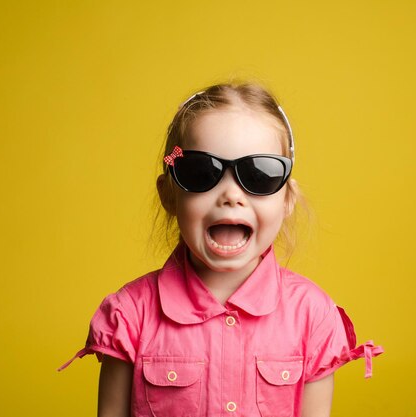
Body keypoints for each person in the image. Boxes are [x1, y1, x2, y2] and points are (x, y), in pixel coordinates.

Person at [60, 83, 383, 417]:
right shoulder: (130, 315)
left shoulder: (312, 316)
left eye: (259, 174)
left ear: (287, 199)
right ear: (170, 195)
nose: (231, 195)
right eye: (201, 172)